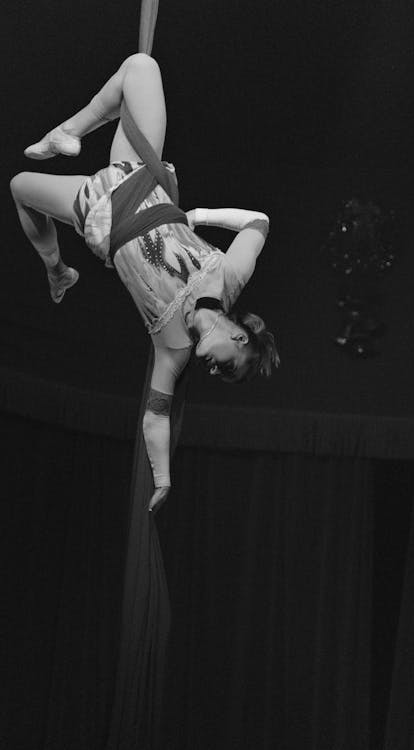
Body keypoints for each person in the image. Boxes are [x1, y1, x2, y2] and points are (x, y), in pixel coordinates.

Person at [10, 53, 279, 511]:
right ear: (239, 335)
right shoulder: (229, 277)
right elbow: (259, 222)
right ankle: (69, 131)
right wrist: (198, 216)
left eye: (221, 374)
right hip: (141, 180)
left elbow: (156, 418)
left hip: (100, 216)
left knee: (19, 186)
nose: (215, 372)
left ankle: (57, 271)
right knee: (141, 67)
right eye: (230, 366)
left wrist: (163, 480)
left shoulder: (172, 352)